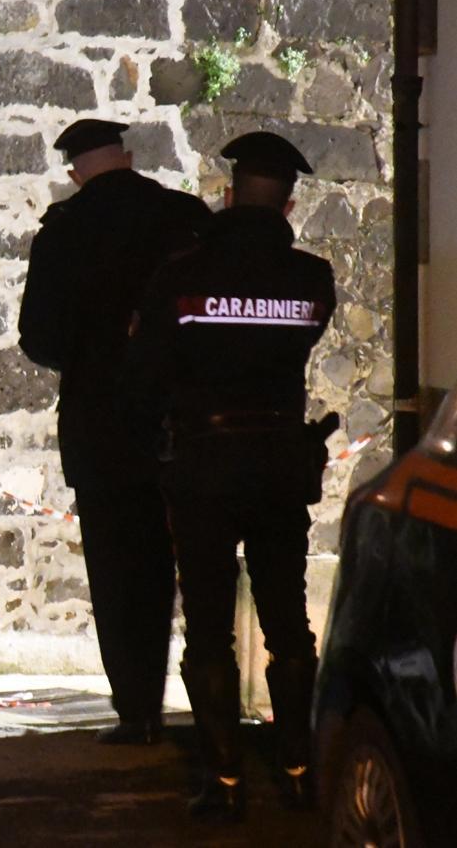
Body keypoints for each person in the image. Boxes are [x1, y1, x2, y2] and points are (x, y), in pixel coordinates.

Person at [127, 132, 336, 821]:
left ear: (228, 192)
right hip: (279, 465)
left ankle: (222, 782)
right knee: (287, 624)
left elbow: (147, 371)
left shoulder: (179, 276)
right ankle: (299, 770)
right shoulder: (310, 279)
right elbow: (298, 343)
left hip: (202, 466)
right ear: (289, 203)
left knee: (209, 626)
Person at [18, 119, 211, 746]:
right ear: (127, 158)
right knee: (190, 562)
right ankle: (210, 703)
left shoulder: (64, 230)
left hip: (99, 423)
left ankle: (137, 710)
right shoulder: (185, 217)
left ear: (75, 170)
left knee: (115, 565)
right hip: (180, 418)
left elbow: (39, 338)